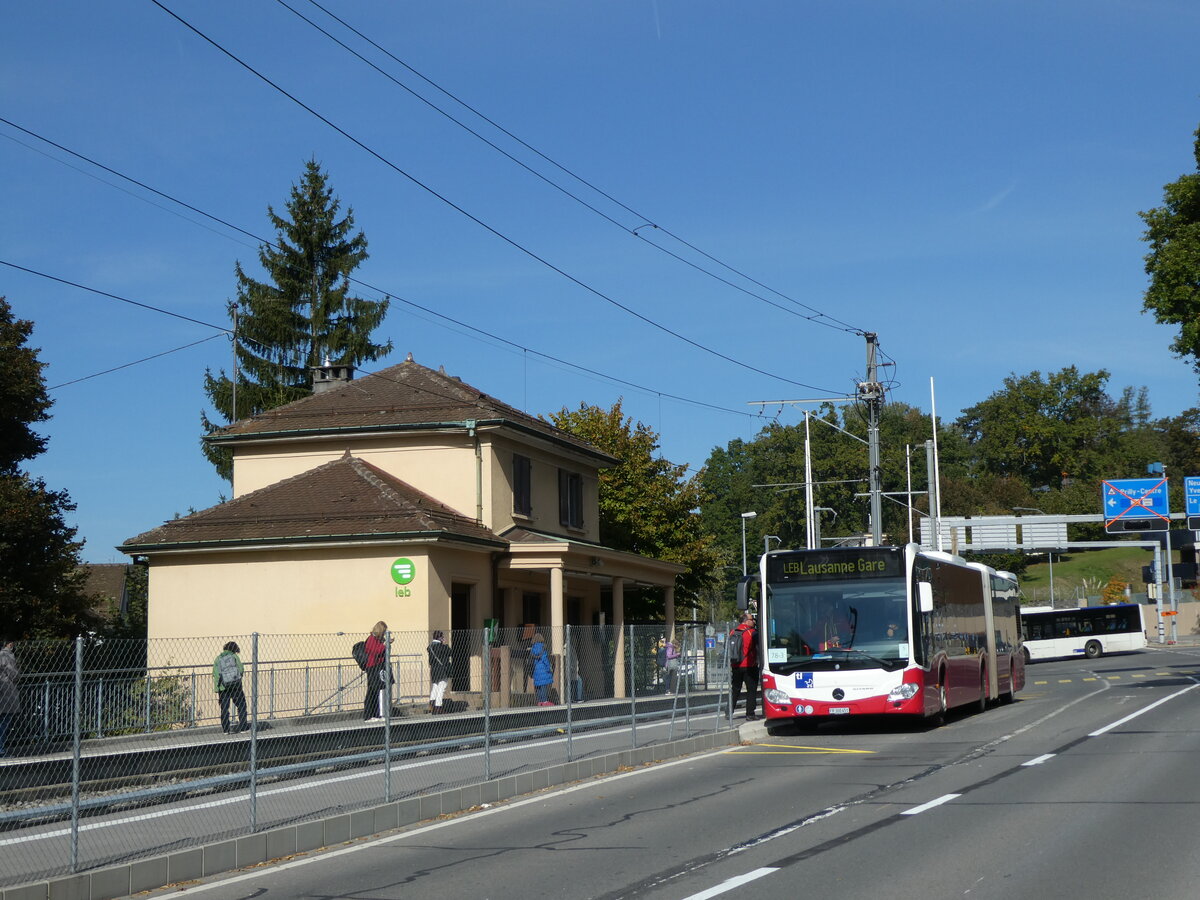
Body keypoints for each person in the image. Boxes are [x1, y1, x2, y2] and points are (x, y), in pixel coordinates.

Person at [212, 641, 248, 734]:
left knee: (224, 708)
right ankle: (243, 728)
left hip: (223, 688)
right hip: (236, 686)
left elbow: (215, 674)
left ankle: (226, 730)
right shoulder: (234, 657)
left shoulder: (218, 659)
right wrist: (236, 679)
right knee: (241, 706)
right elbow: (241, 669)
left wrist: (217, 688)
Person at [729, 613, 760, 721]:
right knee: (751, 690)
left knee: (735, 689)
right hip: (749, 665)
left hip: (735, 664)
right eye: (752, 619)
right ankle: (750, 713)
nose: (754, 621)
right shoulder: (752, 632)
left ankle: (729, 711)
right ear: (746, 621)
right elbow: (759, 646)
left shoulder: (733, 632)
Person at [363, 621, 390, 721]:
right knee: (372, 691)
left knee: (376, 692)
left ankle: (376, 714)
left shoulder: (377, 640)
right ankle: (368, 715)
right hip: (372, 667)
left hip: (377, 666)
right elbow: (376, 651)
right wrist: (385, 645)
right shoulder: (371, 639)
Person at [0, 639, 19, 757]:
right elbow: (13, 673)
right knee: (4, 720)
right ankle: (1, 749)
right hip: (5, 690)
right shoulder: (5, 655)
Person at [427, 630, 452, 714]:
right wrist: (445, 644)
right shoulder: (442, 647)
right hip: (442, 670)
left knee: (435, 686)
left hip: (434, 670)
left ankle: (432, 704)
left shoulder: (430, 647)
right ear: (440, 638)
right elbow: (450, 652)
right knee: (442, 688)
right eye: (442, 637)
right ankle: (438, 707)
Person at [530, 632, 554, 706]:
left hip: (536, 668)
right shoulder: (542, 647)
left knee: (538, 685)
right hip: (543, 668)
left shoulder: (532, 649)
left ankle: (540, 701)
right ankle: (545, 701)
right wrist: (548, 668)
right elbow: (544, 659)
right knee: (543, 685)